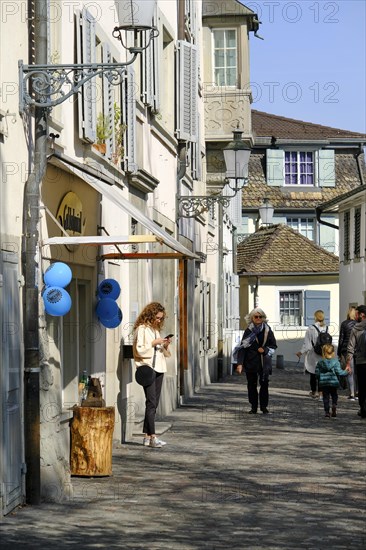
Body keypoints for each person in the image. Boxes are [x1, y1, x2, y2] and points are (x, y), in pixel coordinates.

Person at [133, 302, 172, 447]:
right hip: (148, 369)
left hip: (159, 369)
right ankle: (153, 438)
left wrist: (165, 344)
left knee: (153, 404)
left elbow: (160, 351)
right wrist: (153, 343)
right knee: (151, 403)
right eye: (157, 317)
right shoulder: (142, 329)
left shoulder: (155, 330)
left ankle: (146, 436)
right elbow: (139, 350)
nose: (159, 320)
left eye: (161, 318)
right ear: (150, 315)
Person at [236, 307, 277, 414]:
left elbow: (273, 345)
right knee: (251, 385)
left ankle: (264, 406)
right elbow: (242, 348)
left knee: (264, 384)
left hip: (264, 362)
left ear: (263, 318)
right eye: (256, 316)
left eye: (261, 316)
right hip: (251, 362)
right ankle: (253, 406)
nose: (258, 318)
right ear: (252, 318)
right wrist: (240, 364)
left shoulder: (268, 330)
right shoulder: (248, 331)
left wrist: (264, 349)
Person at [296, 309, 329, 399]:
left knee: (313, 373)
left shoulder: (311, 328)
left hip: (313, 354)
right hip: (323, 354)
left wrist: (301, 352)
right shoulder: (326, 328)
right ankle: (321, 393)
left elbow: (307, 344)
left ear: (315, 317)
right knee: (321, 374)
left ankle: (314, 391)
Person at [315, 344, 351, 418]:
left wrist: (319, 378)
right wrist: (346, 372)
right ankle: (334, 404)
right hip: (333, 382)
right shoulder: (336, 362)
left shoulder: (320, 362)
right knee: (334, 395)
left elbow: (317, 374)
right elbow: (339, 372)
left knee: (326, 397)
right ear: (333, 352)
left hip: (324, 383)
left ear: (323, 352)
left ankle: (327, 412)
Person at [346, 305, 366, 419]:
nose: (356, 316)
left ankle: (363, 409)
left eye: (357, 314)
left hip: (361, 362)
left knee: (362, 387)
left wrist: (348, 363)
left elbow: (350, 348)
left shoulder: (356, 328)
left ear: (362, 315)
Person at [337, 306, 357, 400]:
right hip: (358, 350)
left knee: (350, 372)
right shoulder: (359, 324)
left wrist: (339, 351)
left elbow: (341, 339)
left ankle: (352, 393)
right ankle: (357, 392)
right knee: (358, 373)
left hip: (346, 350)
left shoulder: (344, 324)